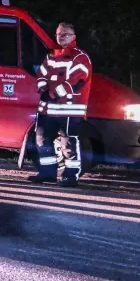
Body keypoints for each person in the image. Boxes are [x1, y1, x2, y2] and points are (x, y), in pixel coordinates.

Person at [30, 22, 92, 186]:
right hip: (48, 109)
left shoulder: (80, 57)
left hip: (69, 109)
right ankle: (47, 173)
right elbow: (42, 74)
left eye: (65, 34)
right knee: (42, 140)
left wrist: (52, 94)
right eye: (59, 34)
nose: (61, 36)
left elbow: (77, 80)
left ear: (73, 37)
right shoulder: (51, 56)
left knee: (68, 143)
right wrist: (42, 88)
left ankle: (71, 177)